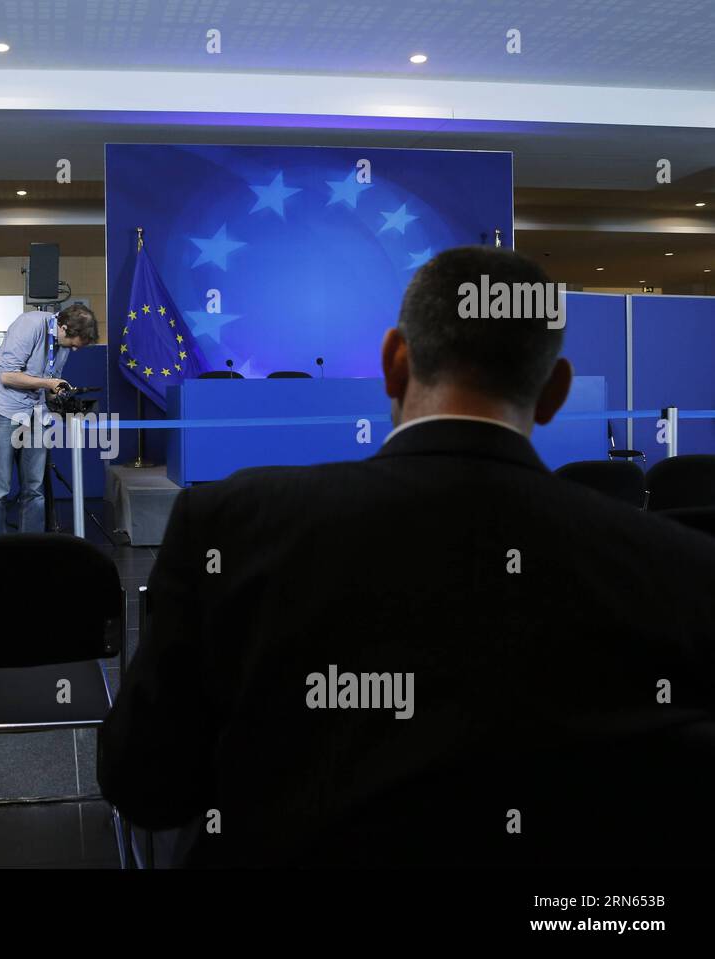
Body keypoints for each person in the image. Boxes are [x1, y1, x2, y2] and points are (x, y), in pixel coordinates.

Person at [98, 246, 715, 867]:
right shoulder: (684, 571)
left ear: (394, 363)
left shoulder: (229, 528)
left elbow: (144, 784)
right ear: (555, 391)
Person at [0, 303, 98, 534]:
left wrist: (58, 391)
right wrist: (47, 384)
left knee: (35, 487)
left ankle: (32, 546)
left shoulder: (63, 345)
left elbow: (51, 378)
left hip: (35, 409)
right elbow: (8, 377)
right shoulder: (29, 325)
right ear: (63, 327)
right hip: (3, 406)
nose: (75, 350)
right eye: (73, 344)